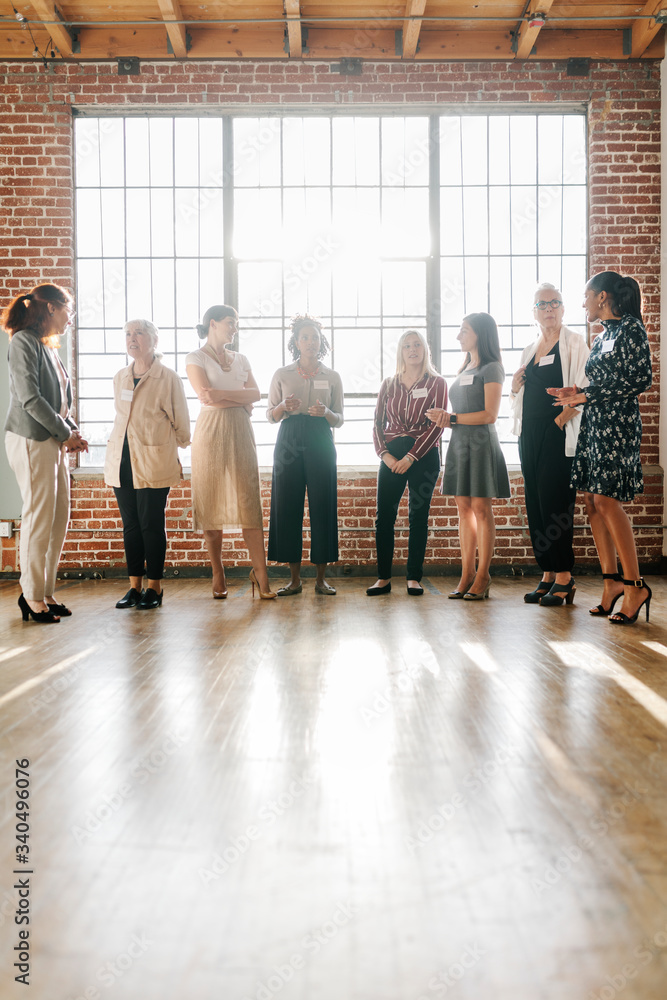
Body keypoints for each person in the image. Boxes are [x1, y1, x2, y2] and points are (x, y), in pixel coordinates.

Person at [548, 271, 653, 625]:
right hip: (595, 423)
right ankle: (611, 584)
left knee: (607, 500)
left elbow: (640, 378)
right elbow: (602, 381)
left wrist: (587, 395)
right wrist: (573, 393)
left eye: (586, 297)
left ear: (603, 297)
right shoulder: (603, 335)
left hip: (618, 426)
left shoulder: (631, 329)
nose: (583, 304)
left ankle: (635, 585)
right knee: (591, 502)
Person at [3, 283, 88, 623]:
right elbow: (30, 399)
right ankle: (31, 596)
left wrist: (71, 431)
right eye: (69, 309)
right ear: (51, 308)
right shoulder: (23, 341)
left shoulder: (48, 346)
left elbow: (58, 401)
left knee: (57, 518)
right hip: (31, 438)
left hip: (52, 440)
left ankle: (46, 591)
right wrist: (64, 433)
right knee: (39, 518)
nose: (72, 317)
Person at [186, 305, 275, 600]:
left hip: (240, 431)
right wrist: (239, 398)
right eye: (230, 323)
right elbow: (204, 397)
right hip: (209, 432)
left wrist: (223, 395)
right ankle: (217, 571)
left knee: (249, 501)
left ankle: (261, 575)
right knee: (210, 503)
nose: (234, 328)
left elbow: (257, 394)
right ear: (213, 324)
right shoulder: (195, 358)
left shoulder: (242, 359)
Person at [509, 284, 590, 607]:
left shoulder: (574, 343)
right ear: (534, 312)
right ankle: (547, 572)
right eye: (542, 304)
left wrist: (558, 423)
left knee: (556, 503)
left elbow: (586, 390)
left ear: (563, 308)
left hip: (557, 433)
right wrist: (514, 388)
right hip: (528, 435)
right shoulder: (530, 349)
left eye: (555, 303)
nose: (549, 309)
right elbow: (522, 395)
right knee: (536, 503)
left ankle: (565, 578)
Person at [104, 319, 191, 610]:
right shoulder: (120, 377)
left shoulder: (167, 377)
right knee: (131, 526)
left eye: (139, 333)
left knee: (151, 524)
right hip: (122, 460)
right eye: (127, 334)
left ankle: (155, 587)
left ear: (154, 339)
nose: (132, 339)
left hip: (154, 460)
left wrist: (171, 450)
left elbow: (182, 423)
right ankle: (134, 587)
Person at [427, 312, 509, 600]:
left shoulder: (492, 368)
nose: (458, 336)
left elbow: (490, 414)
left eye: (463, 330)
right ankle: (466, 574)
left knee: (481, 509)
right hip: (459, 442)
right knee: (463, 508)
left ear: (480, 334)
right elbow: (458, 414)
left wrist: (452, 418)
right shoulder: (465, 368)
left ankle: (484, 575)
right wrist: (445, 419)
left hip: (481, 443)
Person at [267, 315, 343, 595]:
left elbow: (340, 418)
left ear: (322, 342)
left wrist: (327, 413)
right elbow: (270, 415)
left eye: (315, 338)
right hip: (288, 438)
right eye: (305, 338)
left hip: (321, 438)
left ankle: (321, 579)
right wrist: (283, 406)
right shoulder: (282, 374)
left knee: (323, 506)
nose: (311, 342)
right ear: (296, 342)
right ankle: (294, 579)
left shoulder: (332, 376)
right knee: (287, 507)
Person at [367, 330, 447, 596]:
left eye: (417, 345)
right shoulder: (389, 384)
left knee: (418, 517)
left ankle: (414, 577)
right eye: (406, 346)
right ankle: (383, 578)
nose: (412, 350)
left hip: (423, 454)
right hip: (391, 453)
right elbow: (378, 424)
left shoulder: (437, 383)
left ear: (425, 349)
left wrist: (411, 456)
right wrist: (386, 456)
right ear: (400, 352)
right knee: (384, 517)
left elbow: (437, 427)